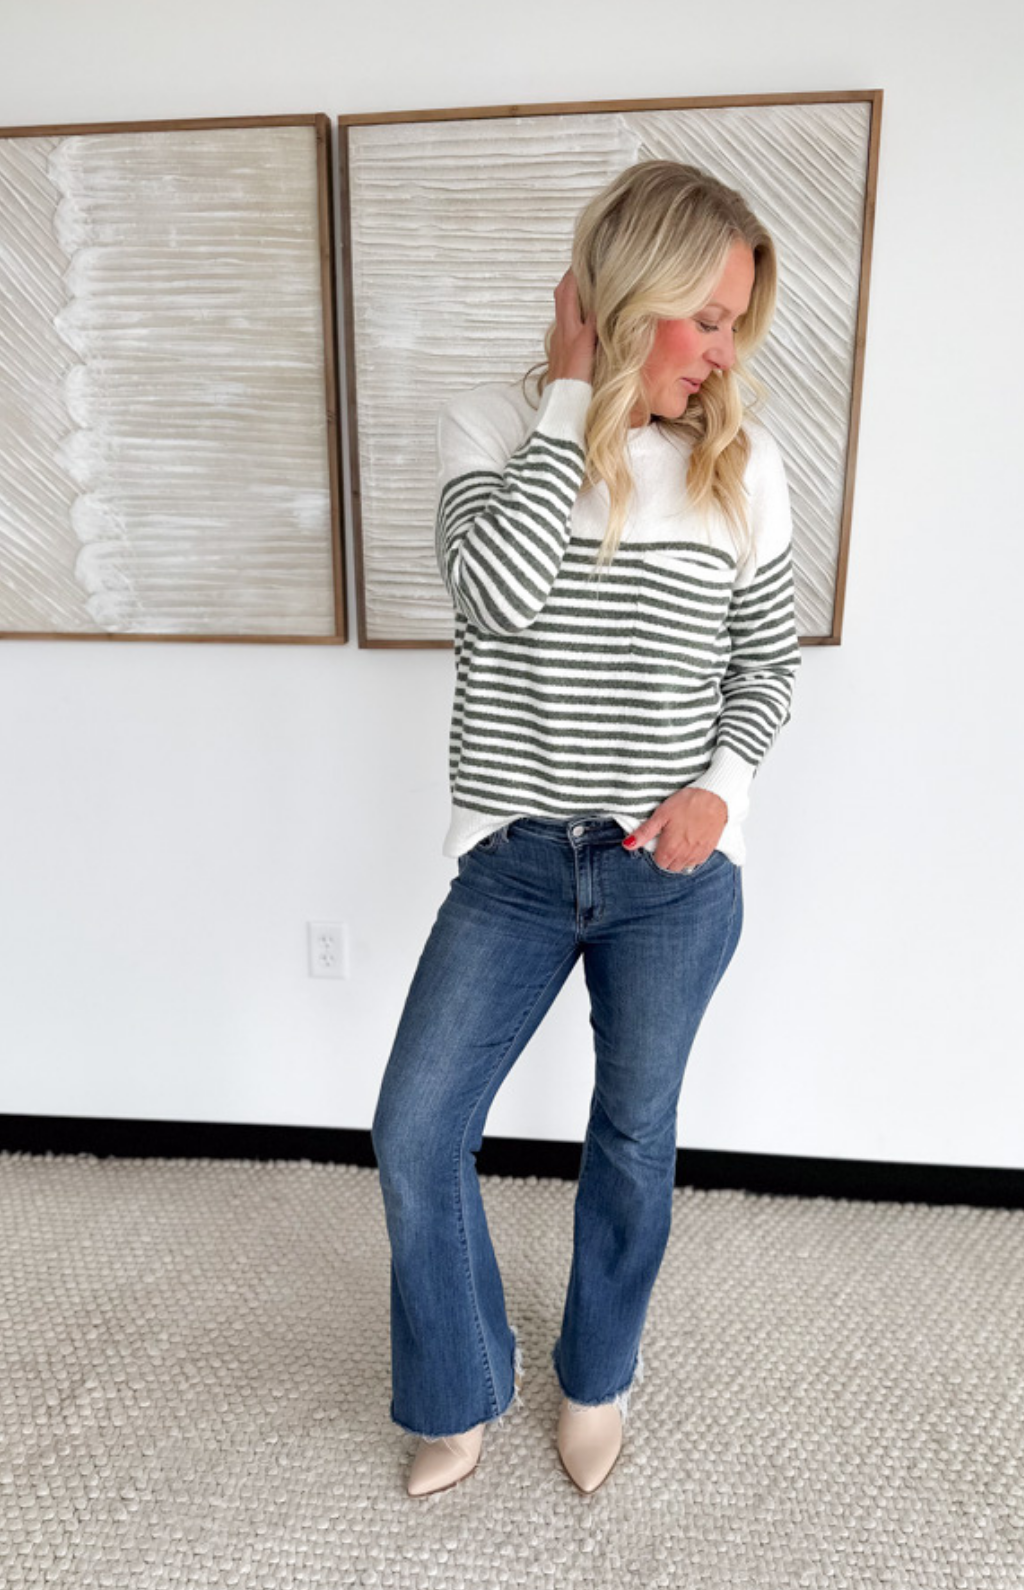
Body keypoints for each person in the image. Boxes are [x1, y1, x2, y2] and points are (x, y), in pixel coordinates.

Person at [371, 159, 802, 1498]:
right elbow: (494, 599)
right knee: (416, 1129)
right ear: (627, 299)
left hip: (668, 874)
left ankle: (598, 1375)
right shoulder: (492, 429)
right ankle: (459, 1384)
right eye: (706, 318)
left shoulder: (744, 466)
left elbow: (767, 661)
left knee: (631, 1135)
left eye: (735, 322)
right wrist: (568, 398)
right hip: (511, 863)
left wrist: (720, 787)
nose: (724, 351)